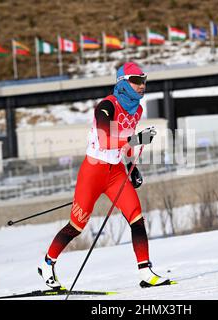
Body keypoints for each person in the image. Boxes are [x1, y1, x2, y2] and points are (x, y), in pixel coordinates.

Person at [39, 62, 172, 289]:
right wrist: (136, 140)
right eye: (137, 81)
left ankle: (146, 272)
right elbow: (105, 140)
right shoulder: (106, 106)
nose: (142, 86)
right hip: (93, 171)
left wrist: (132, 166)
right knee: (77, 226)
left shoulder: (137, 110)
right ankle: (48, 264)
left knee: (136, 218)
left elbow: (126, 140)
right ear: (123, 83)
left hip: (116, 172)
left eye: (144, 81)